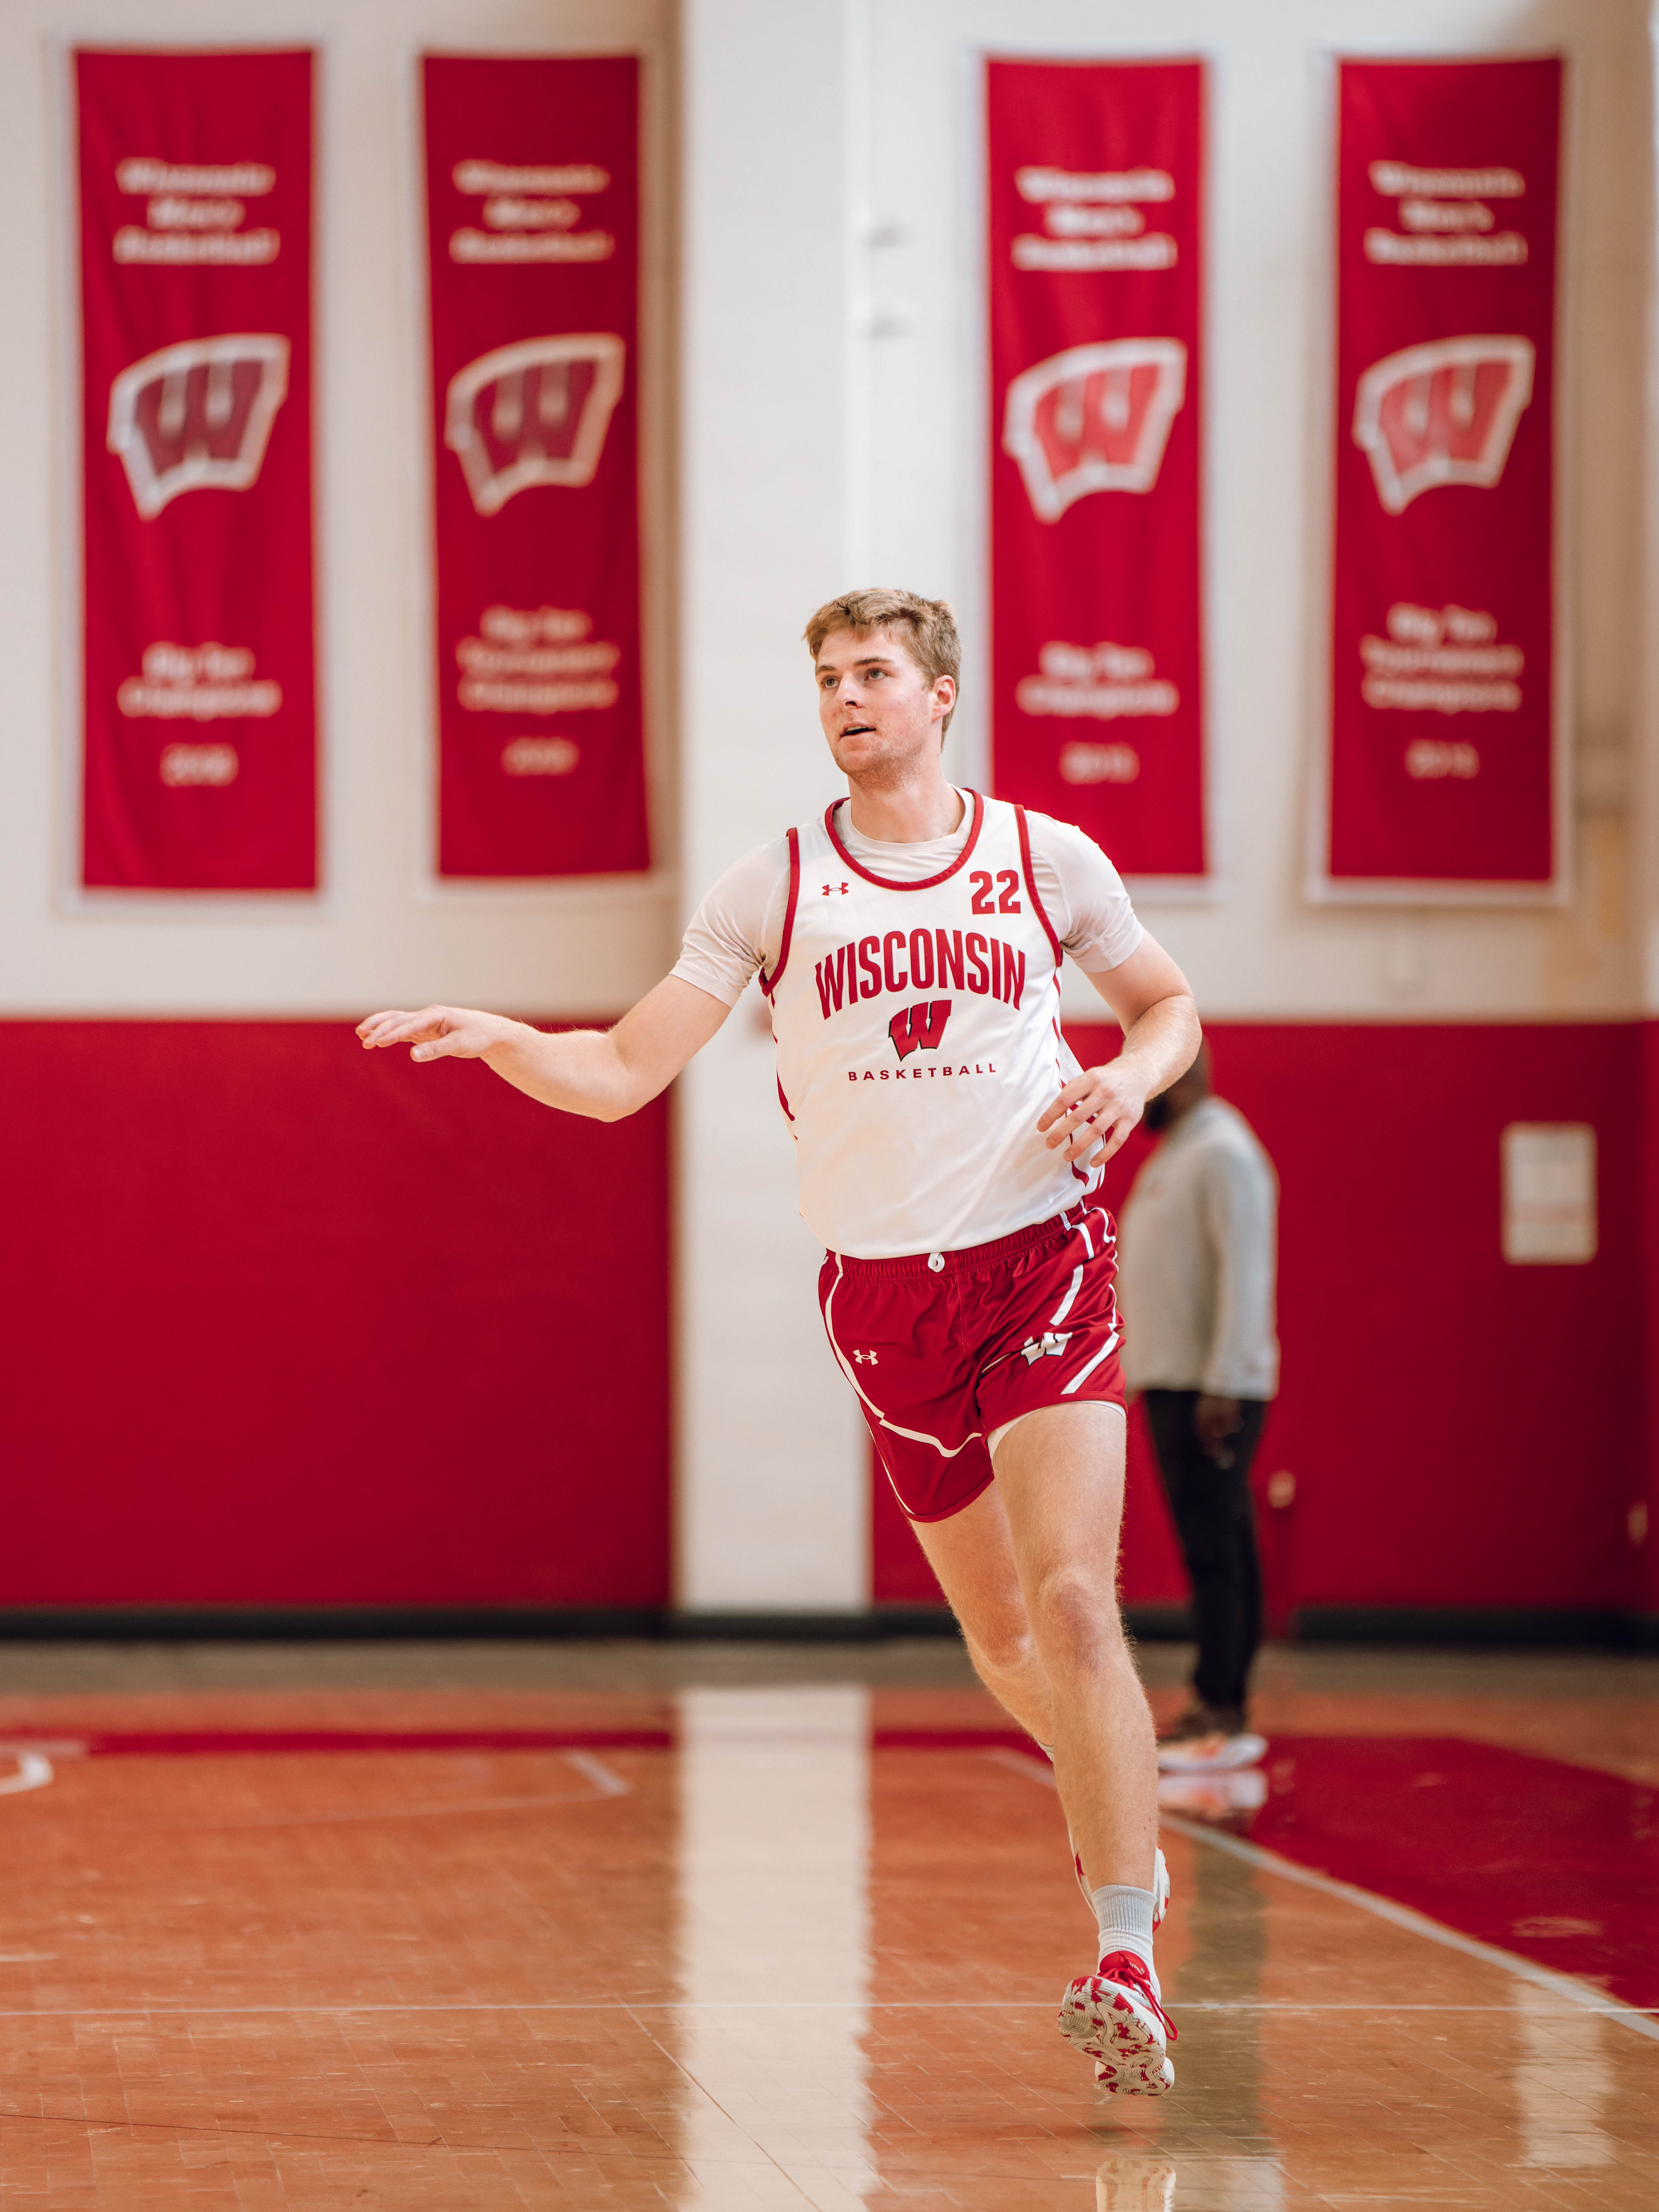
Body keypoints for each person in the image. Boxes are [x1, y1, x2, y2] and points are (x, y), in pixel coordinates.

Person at [358, 589, 1201, 2095]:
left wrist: (1131, 1080)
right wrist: (505, 1042)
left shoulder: (1041, 857)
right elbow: (623, 1070)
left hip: (1042, 1256)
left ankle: (1125, 1944)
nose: (847, 697)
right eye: (828, 678)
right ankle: (1107, 1770)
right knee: (1002, 1639)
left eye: (874, 672)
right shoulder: (775, 886)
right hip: (882, 1297)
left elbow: (1167, 1007)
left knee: (1077, 1599)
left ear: (943, 694)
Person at [1116, 1045, 1279, 1772]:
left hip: (1207, 1388)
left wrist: (1224, 1380)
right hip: (1174, 1380)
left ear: (1177, 1076)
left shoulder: (1223, 1152)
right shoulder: (1179, 1154)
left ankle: (1221, 1708)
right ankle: (1216, 1701)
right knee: (1211, 1545)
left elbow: (1247, 1269)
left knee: (1218, 1550)